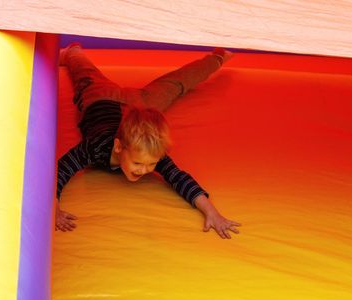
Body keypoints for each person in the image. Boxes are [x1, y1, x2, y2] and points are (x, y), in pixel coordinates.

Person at [56, 43, 241, 239]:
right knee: (85, 74)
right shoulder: (96, 147)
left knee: (176, 84)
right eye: (137, 163)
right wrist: (54, 209)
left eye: (151, 164)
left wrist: (211, 212)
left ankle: (218, 57)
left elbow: (178, 177)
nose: (144, 170)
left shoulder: (148, 151)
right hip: (101, 96)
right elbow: (60, 171)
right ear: (118, 147)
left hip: (140, 104)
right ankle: (73, 52)